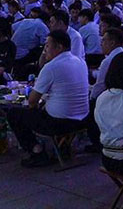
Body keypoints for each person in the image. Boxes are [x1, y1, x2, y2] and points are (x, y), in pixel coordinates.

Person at [6, 30, 89, 167]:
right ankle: (62, 147)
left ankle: (36, 150)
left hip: (59, 122)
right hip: (83, 118)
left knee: (14, 114)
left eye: (47, 46)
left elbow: (32, 101)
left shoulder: (52, 67)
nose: (44, 50)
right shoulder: (80, 62)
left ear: (59, 47)